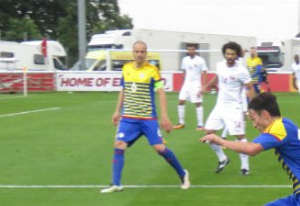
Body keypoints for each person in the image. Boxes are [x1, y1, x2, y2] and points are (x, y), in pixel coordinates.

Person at [101, 41, 190, 193]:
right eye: (137, 51)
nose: (140, 54)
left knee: (159, 148)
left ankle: (183, 174)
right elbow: (123, 90)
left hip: (148, 118)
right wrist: (117, 111)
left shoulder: (153, 70)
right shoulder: (126, 68)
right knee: (119, 145)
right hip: (128, 117)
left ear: (146, 53)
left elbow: (161, 92)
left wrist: (165, 116)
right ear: (133, 52)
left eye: (142, 51)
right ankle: (116, 183)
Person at [201, 41, 254, 176]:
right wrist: (205, 87)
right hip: (219, 106)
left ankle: (245, 166)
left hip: (233, 108)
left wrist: (252, 107)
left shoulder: (241, 70)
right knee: (208, 133)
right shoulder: (220, 66)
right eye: (227, 53)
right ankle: (223, 158)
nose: (229, 56)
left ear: (236, 56)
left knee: (239, 136)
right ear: (224, 54)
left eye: (232, 54)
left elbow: (250, 87)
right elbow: (217, 78)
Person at [174, 45, 208, 130]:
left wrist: (203, 86)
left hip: (196, 84)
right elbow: (184, 71)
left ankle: (200, 124)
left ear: (195, 50)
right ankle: (181, 122)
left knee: (198, 103)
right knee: (181, 101)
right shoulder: (184, 60)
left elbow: (204, 72)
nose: (190, 51)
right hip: (186, 84)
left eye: (192, 49)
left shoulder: (200, 60)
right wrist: (183, 83)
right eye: (189, 49)